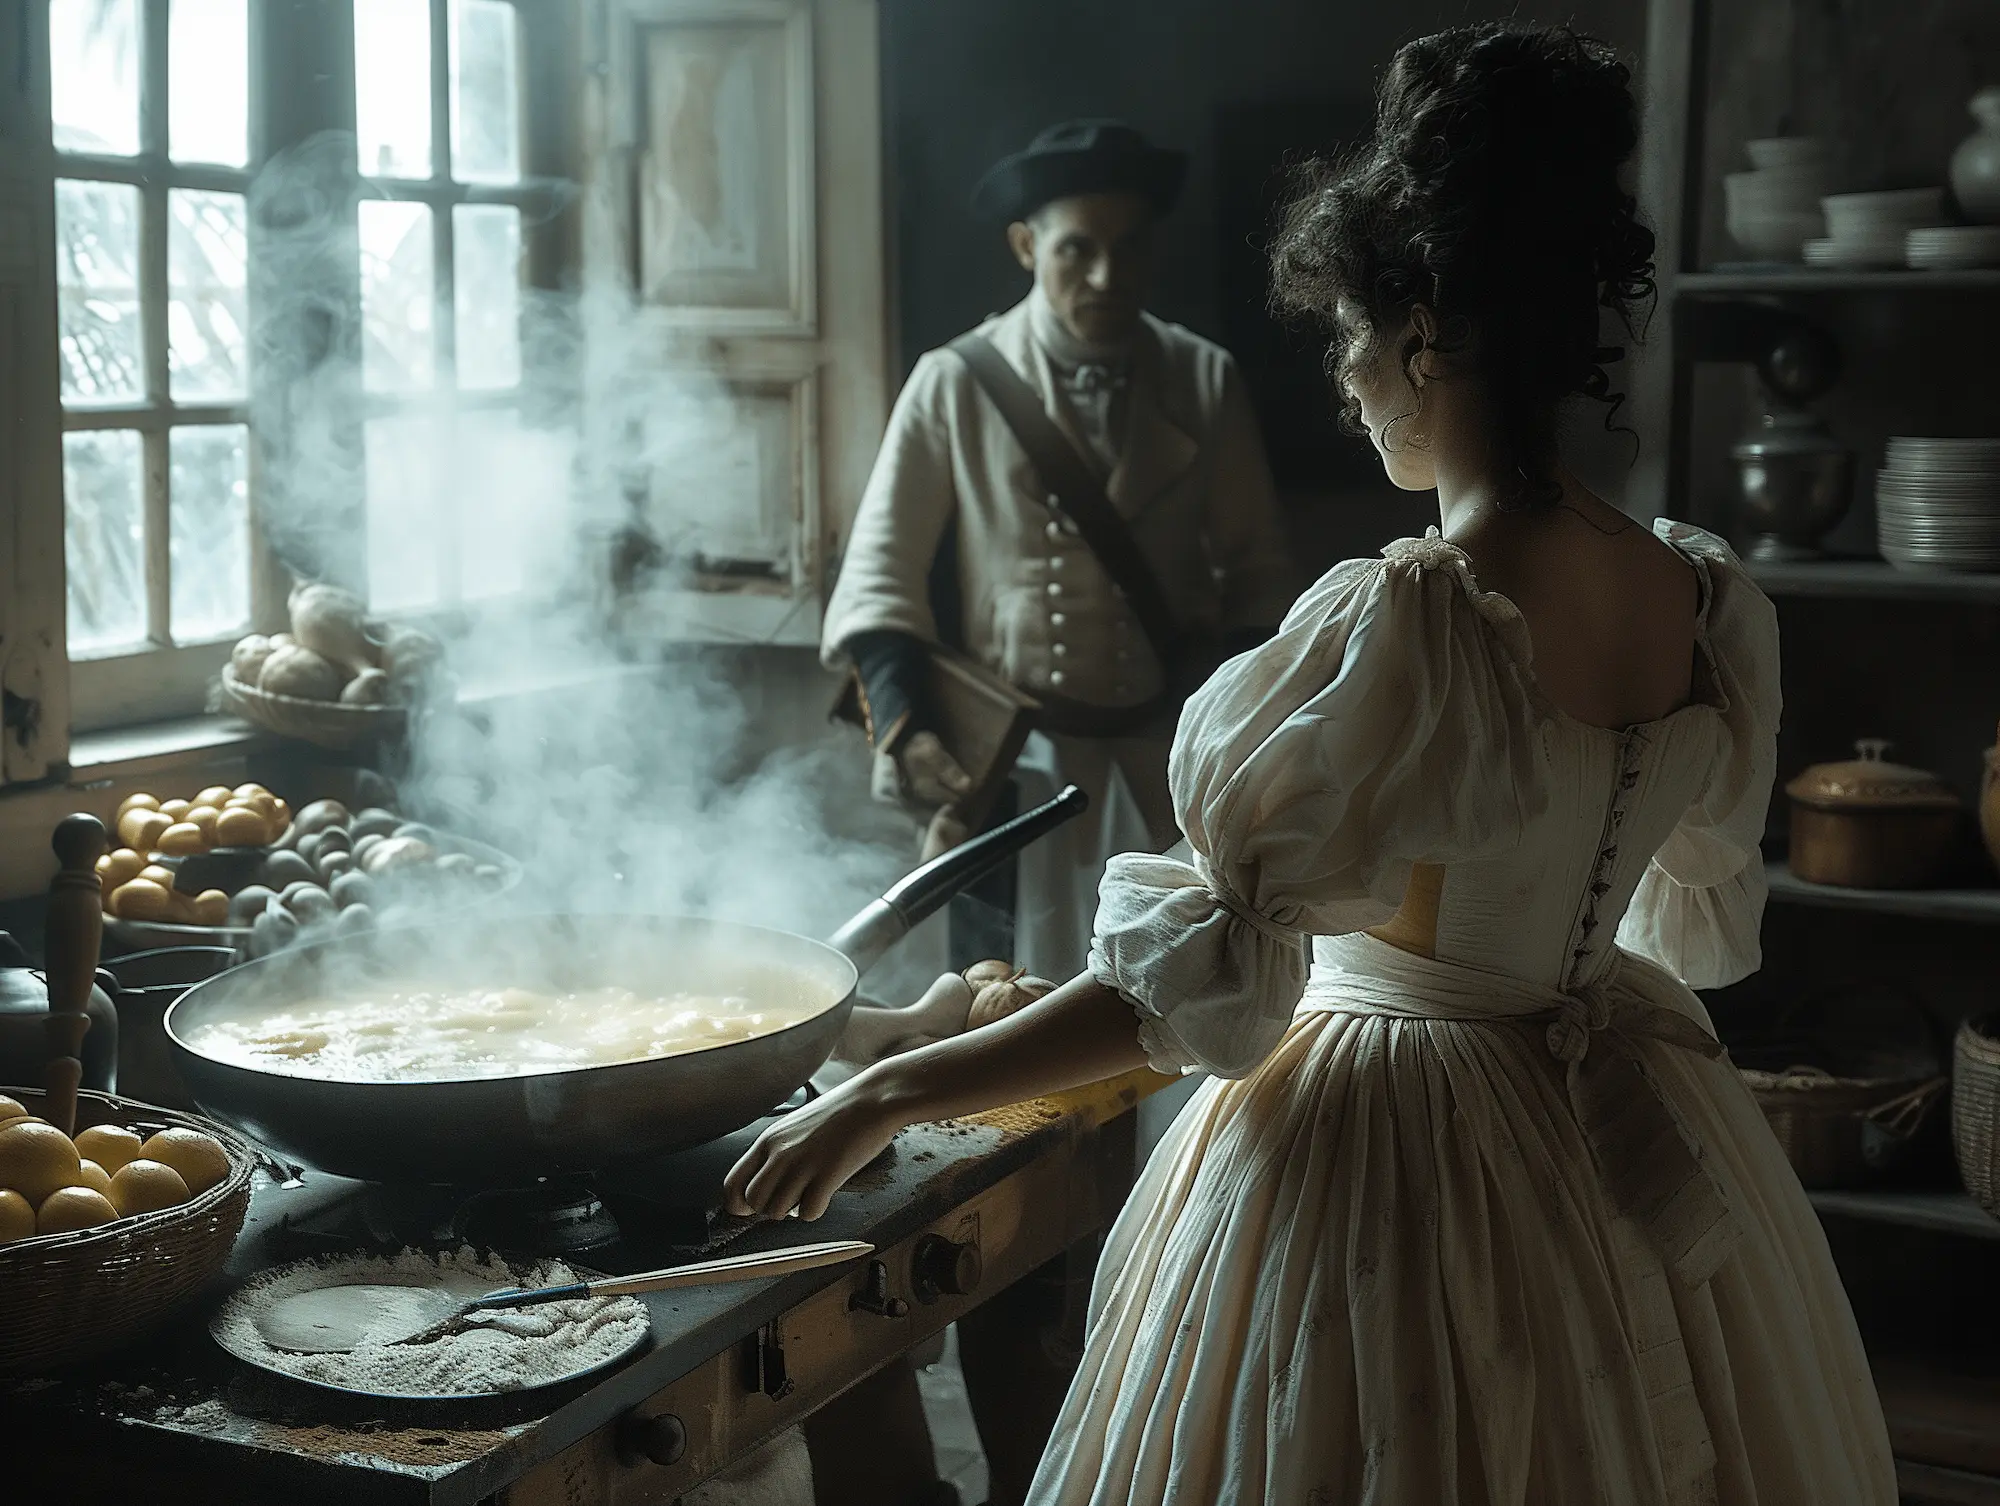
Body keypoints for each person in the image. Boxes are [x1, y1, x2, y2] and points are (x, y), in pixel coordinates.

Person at [733, 24, 1898, 1505]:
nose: (1344, 377)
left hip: (1395, 1147)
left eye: (1349, 334)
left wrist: (881, 1100)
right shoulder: (1696, 594)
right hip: (1610, 1105)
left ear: (1423, 331)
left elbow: (1175, 995)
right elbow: (1677, 887)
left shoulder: (1414, 619)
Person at [821, 118, 1293, 983]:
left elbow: (1259, 584)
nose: (1108, 275)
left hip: (1168, 763)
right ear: (1025, 245)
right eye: (1078, 250)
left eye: (1130, 247)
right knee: (1002, 1003)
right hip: (1016, 767)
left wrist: (1231, 739)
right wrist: (908, 721)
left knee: (1165, 1006)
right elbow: (881, 577)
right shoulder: (956, 380)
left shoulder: (1203, 377)